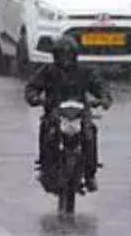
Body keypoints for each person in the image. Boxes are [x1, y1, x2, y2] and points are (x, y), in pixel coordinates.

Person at [24, 37, 112, 192]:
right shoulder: (47, 71)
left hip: (81, 113)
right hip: (55, 112)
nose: (65, 60)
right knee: (47, 131)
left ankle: (90, 173)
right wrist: (34, 97)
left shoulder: (85, 71)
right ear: (55, 56)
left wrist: (104, 98)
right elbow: (32, 86)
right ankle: (46, 167)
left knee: (90, 133)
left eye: (69, 55)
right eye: (62, 55)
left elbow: (100, 85)